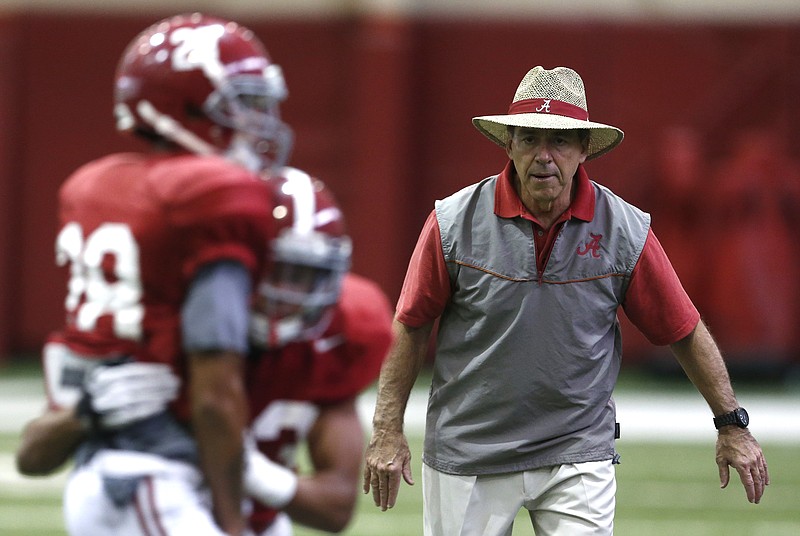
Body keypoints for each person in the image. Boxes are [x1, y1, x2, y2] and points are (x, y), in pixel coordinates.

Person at [362, 66, 770, 536]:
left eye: (560, 140)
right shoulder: (452, 222)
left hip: (576, 451)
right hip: (469, 450)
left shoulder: (624, 230)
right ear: (509, 144)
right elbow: (410, 326)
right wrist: (387, 431)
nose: (544, 156)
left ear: (582, 151)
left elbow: (683, 328)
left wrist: (731, 424)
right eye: (530, 138)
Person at [15, 12, 292, 536]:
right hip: (152, 468)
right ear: (183, 105)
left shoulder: (99, 185)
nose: (257, 120)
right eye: (240, 104)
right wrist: (235, 522)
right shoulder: (212, 195)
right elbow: (214, 385)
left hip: (118, 459)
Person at [242, 167, 393, 535]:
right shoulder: (178, 316)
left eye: (301, 275)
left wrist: (243, 468)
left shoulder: (344, 333)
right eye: (271, 271)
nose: (286, 294)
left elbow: (336, 507)